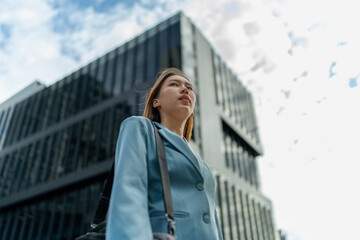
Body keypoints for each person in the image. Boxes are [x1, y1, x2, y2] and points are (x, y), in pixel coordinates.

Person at [106, 68, 224, 240]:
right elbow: (129, 192)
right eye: (174, 84)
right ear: (156, 102)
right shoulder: (140, 128)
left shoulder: (203, 163)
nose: (185, 90)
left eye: (189, 88)